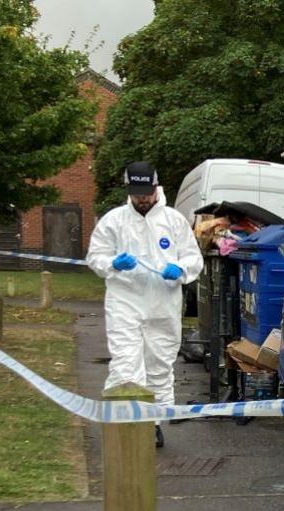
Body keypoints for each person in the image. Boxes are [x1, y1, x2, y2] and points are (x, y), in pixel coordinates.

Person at [85, 161, 201, 449]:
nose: (143, 199)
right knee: (126, 364)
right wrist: (112, 262)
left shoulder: (174, 221)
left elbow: (193, 258)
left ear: (155, 186)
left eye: (147, 192)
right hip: (125, 302)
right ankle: (125, 424)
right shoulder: (114, 221)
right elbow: (95, 257)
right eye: (137, 193)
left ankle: (153, 424)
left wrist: (180, 270)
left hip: (163, 303)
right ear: (129, 190)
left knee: (159, 366)